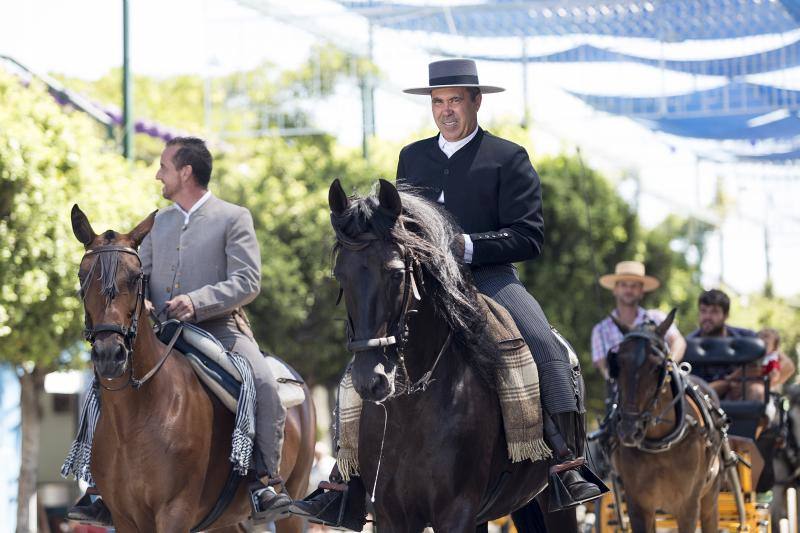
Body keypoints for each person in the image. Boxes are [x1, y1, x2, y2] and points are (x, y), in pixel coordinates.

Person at [293, 59, 604, 523]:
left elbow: (529, 236)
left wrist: (468, 245)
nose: (446, 111)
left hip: (490, 280)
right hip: (426, 286)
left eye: (455, 100)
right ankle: (346, 479)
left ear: (476, 101)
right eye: (438, 102)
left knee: (544, 344)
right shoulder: (412, 158)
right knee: (360, 362)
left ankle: (564, 463)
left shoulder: (508, 157)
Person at [68, 137, 290, 525]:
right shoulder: (159, 222)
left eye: (163, 167)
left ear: (185, 172)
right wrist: (145, 303)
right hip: (164, 330)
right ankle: (100, 486)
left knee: (262, 381)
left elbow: (248, 281)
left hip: (221, 328)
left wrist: (197, 301)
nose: (158, 174)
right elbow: (143, 275)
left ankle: (264, 482)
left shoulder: (233, 217)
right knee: (99, 385)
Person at [591, 261, 686, 380]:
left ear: (642, 291)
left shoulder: (657, 318)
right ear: (614, 289)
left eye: (634, 286)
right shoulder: (600, 330)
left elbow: (678, 341)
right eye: (624, 285)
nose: (629, 290)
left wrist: (669, 364)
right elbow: (604, 369)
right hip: (621, 395)